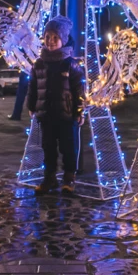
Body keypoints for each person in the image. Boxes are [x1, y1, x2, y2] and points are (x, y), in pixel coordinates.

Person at [27, 15, 85, 195]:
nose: (50, 42)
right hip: (46, 114)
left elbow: (79, 91)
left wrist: (80, 110)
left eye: (55, 38)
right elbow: (33, 86)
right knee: (48, 147)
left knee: (69, 147)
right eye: (47, 38)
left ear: (63, 39)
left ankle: (69, 178)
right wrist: (31, 105)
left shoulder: (71, 65)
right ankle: (49, 178)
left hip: (67, 115)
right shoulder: (39, 64)